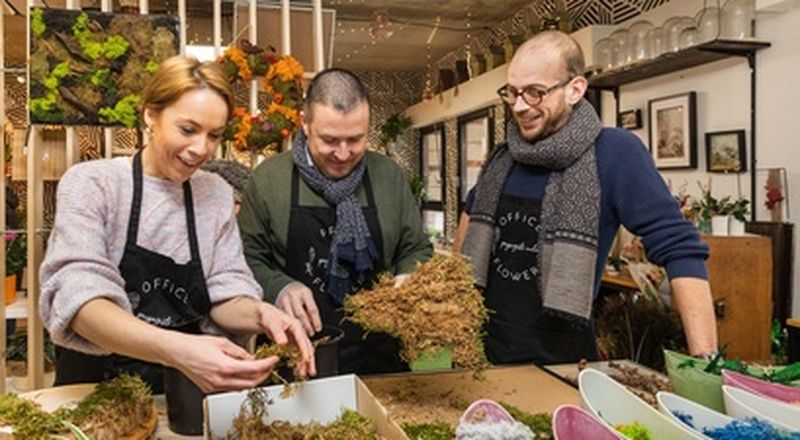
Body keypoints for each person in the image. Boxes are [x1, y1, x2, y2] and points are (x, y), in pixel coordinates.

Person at [39, 56, 315, 394]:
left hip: (182, 394)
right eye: (188, 129)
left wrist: (262, 314)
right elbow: (79, 300)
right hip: (98, 392)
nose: (201, 149)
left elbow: (224, 291)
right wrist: (176, 351)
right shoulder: (93, 183)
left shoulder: (214, 193)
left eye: (214, 135)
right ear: (150, 115)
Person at [454, 31, 717, 365]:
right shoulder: (502, 159)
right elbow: (467, 230)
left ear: (575, 89)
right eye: (513, 92)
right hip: (480, 353)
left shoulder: (614, 153)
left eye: (535, 93)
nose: (519, 106)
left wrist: (706, 361)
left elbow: (680, 248)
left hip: (561, 360)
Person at [238, 68, 433, 375]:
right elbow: (246, 258)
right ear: (305, 122)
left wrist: (408, 276)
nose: (343, 154)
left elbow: (416, 248)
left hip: (380, 353)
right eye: (329, 140)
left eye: (355, 139)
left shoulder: (388, 177)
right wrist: (279, 287)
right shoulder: (269, 180)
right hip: (295, 352)